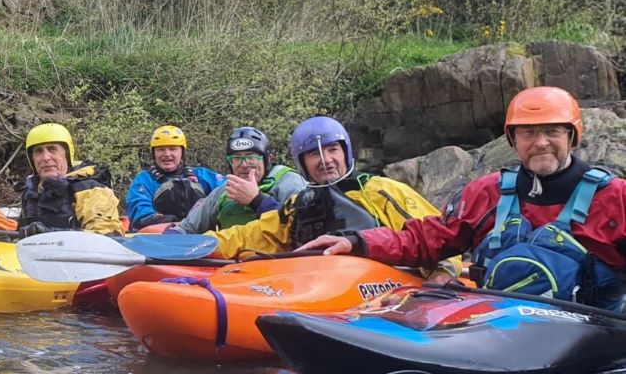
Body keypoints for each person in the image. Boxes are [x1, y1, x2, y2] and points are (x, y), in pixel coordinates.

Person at [304, 87, 626, 308]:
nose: (540, 142)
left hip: (588, 341)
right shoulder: (488, 192)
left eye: (552, 132)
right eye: (528, 133)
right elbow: (426, 239)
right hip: (499, 330)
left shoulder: (615, 197)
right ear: (513, 141)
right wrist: (357, 242)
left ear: (572, 137)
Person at [207, 115, 439, 260]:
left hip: (386, 291)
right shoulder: (298, 206)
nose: (325, 159)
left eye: (332, 150)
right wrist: (200, 244)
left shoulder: (381, 190)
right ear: (302, 164)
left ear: (345, 153)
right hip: (322, 287)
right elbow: (248, 235)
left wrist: (442, 273)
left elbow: (434, 233)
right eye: (313, 154)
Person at [176, 127, 307, 234]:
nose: (244, 165)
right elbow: (187, 228)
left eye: (251, 157)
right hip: (232, 264)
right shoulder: (222, 192)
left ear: (268, 159)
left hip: (278, 262)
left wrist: (257, 201)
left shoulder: (290, 182)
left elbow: (302, 226)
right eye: (236, 158)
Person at [17, 123, 123, 236]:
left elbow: (107, 237)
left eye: (52, 149)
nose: (46, 158)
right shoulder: (31, 192)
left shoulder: (91, 189)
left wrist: (51, 235)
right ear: (32, 159)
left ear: (67, 154)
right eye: (39, 151)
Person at [125, 125, 226, 231]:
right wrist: (171, 221)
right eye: (161, 149)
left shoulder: (201, 175)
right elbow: (140, 214)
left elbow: (227, 189)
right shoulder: (144, 180)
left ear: (182, 152)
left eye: (173, 149)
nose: (167, 154)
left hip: (198, 237)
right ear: (154, 153)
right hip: (159, 237)